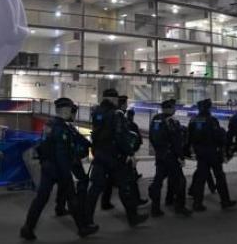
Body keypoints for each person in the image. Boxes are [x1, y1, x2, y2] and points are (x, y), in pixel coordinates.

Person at [20, 98, 99, 240]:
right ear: (66, 110)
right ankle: (82, 228)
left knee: (41, 199)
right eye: (70, 109)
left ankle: (27, 228)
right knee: (72, 198)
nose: (72, 112)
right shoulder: (60, 129)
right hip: (59, 168)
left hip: (48, 168)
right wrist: (66, 174)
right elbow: (61, 154)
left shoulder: (51, 125)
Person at [85, 88, 147, 227]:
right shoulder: (116, 114)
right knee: (125, 186)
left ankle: (86, 221)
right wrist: (130, 153)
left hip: (100, 154)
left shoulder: (96, 112)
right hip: (115, 157)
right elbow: (120, 136)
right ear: (113, 99)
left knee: (94, 189)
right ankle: (133, 218)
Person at [188, 99, 236, 211]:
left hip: (200, 153)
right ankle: (225, 201)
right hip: (212, 153)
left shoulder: (193, 120)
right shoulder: (211, 120)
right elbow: (218, 137)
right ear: (208, 108)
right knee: (220, 177)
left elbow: (189, 137)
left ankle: (197, 203)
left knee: (200, 179)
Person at [147, 99, 191, 217]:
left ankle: (155, 208)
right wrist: (181, 157)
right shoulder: (172, 121)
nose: (175, 109)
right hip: (171, 156)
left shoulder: (155, 119)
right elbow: (176, 141)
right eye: (173, 107)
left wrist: (158, 150)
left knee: (158, 181)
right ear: (170, 108)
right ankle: (180, 207)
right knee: (181, 181)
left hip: (160, 155)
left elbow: (151, 136)